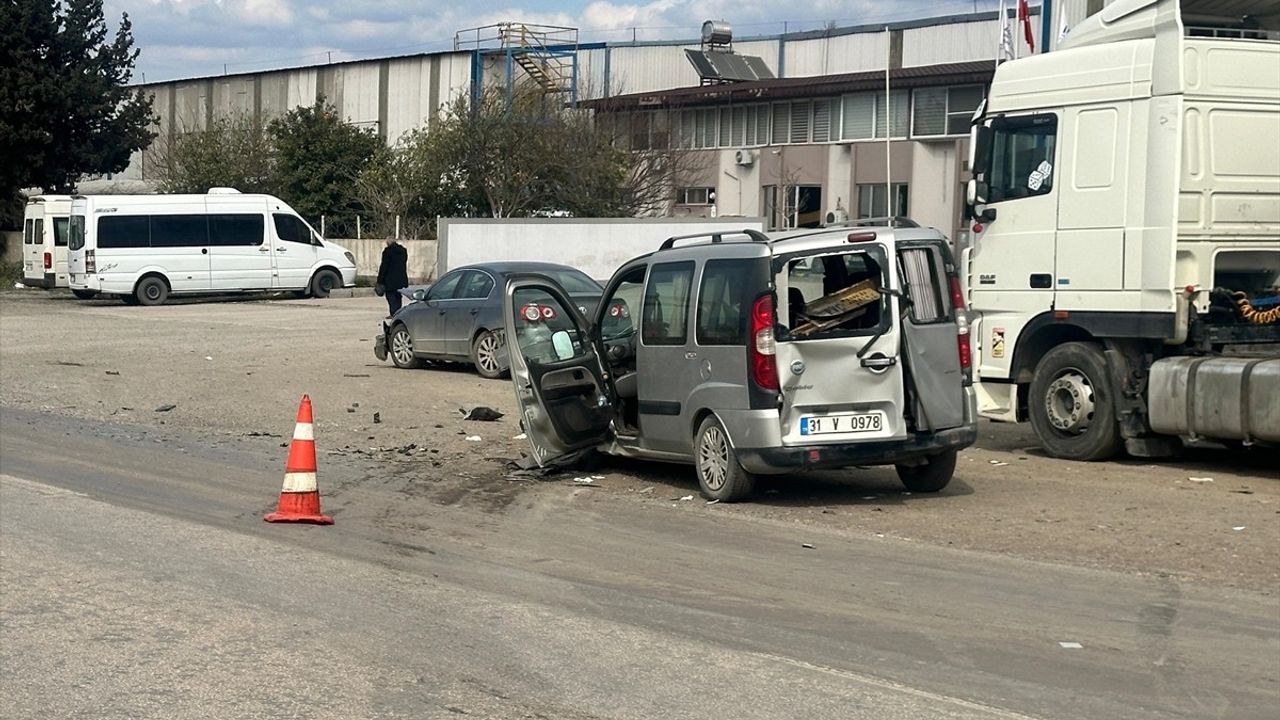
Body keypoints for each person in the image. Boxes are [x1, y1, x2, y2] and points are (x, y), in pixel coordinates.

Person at [376, 239, 409, 317]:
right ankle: (398, 312)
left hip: (390, 278)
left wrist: (379, 280)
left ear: (388, 243)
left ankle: (393, 313)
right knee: (398, 296)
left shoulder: (388, 252)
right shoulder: (403, 251)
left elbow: (384, 266)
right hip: (401, 278)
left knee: (391, 296)